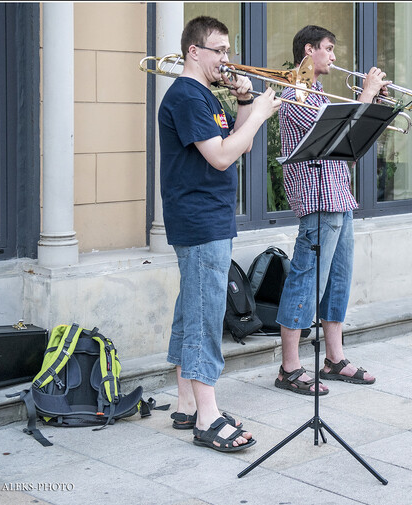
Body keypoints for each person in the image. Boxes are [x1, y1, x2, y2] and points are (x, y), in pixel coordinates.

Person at [158, 16, 280, 452]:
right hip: (200, 219)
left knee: (190, 307)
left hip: (207, 217)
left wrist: (247, 103)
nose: (227, 59)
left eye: (229, 50)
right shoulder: (189, 95)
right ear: (194, 51)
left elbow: (238, 140)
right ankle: (207, 418)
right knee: (206, 314)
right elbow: (222, 157)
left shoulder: (204, 96)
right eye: (219, 50)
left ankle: (187, 403)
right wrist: (262, 112)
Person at [273, 25, 390, 395]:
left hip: (340, 195)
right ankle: (289, 367)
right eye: (328, 49)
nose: (335, 57)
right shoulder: (295, 93)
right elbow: (323, 139)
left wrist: (372, 108)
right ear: (309, 50)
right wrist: (366, 96)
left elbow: (348, 148)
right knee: (305, 280)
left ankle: (334, 359)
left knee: (338, 281)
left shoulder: (322, 92)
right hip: (316, 201)